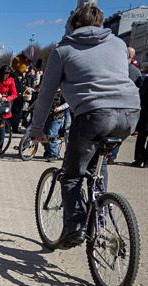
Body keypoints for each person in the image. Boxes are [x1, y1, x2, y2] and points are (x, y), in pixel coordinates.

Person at [30, 5, 139, 249]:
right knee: (96, 166)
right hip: (131, 112)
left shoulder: (63, 50)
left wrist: (36, 130)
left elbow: (46, 94)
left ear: (73, 25)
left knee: (72, 175)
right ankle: (100, 207)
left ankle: (76, 228)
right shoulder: (119, 45)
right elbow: (126, 74)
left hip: (93, 114)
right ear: (101, 25)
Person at [132, 80, 148, 168]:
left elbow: (140, 94)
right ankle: (147, 161)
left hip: (145, 114)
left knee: (141, 138)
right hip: (145, 115)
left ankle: (139, 158)